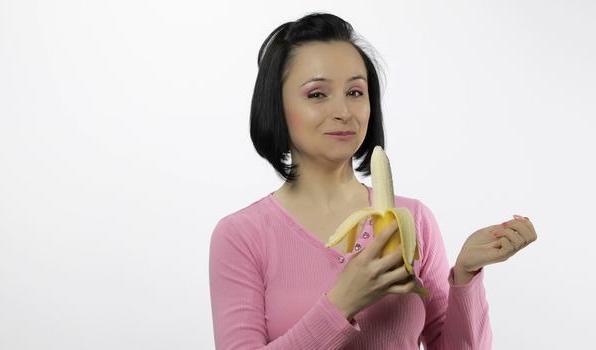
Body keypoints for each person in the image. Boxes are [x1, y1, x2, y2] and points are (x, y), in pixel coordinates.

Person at [209, 12, 537, 349]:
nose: (344, 112)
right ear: (276, 106)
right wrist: (342, 303)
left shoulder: (412, 219)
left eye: (355, 92)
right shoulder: (241, 236)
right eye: (317, 94)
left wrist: (466, 274)